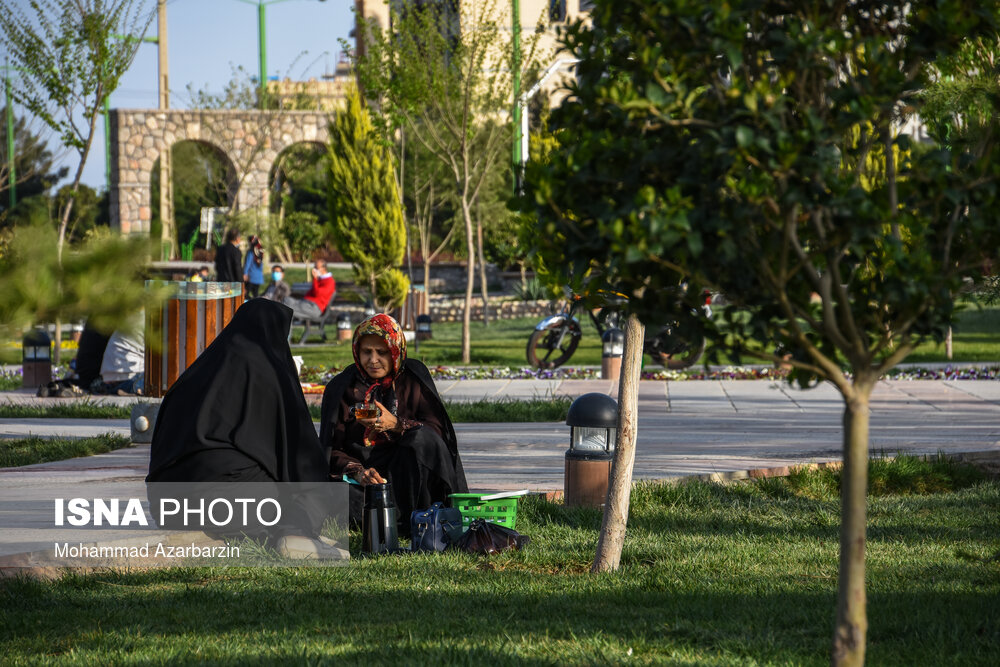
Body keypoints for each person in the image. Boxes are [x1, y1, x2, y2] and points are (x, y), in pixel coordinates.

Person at [146, 299, 339, 558]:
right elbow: (300, 456)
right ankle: (295, 535)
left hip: (167, 507)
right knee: (295, 491)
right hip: (226, 506)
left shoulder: (194, 375)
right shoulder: (266, 373)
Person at [319, 313, 468, 532]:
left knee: (421, 438)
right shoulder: (342, 387)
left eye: (382, 352)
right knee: (323, 492)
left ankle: (417, 515)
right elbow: (331, 448)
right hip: (366, 483)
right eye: (366, 352)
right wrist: (359, 472)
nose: (373, 360)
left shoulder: (413, 379)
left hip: (409, 477)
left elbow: (436, 435)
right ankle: (388, 519)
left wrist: (397, 425)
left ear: (396, 351)